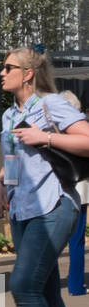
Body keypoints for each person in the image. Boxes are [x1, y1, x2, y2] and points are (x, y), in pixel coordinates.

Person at [0, 50, 89, 307]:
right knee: (46, 292)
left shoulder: (51, 106)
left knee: (22, 285)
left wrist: (46, 138)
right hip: (22, 209)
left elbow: (86, 139)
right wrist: (1, 180)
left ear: (28, 74)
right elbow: (15, 158)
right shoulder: (8, 115)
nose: (2, 72)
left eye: (8, 67)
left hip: (55, 205)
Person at [59, 90, 89, 296]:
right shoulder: (81, 130)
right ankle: (76, 285)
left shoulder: (50, 129)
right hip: (79, 190)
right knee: (76, 240)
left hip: (54, 191)